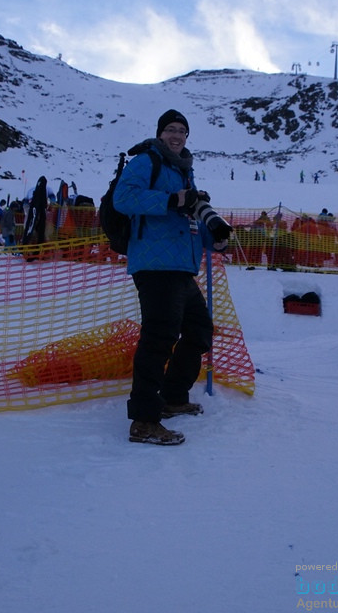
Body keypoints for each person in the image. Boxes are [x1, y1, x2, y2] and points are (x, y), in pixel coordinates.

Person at [113, 109, 232, 446]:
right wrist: (171, 199)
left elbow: (189, 220)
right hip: (154, 264)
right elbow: (124, 199)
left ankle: (172, 396)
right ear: (160, 133)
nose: (176, 135)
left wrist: (215, 240)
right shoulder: (146, 161)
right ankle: (144, 420)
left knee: (199, 331)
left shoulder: (185, 172)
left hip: (181, 267)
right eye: (170, 130)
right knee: (158, 338)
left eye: (182, 130)